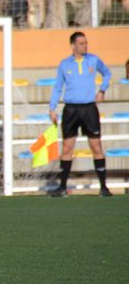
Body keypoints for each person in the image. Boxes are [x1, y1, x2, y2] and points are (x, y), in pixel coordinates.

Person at [48, 31, 112, 197]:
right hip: (71, 109)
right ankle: (62, 188)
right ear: (73, 46)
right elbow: (57, 87)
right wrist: (52, 108)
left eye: (86, 43)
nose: (85, 46)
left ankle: (103, 187)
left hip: (89, 109)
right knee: (67, 147)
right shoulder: (64, 64)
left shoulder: (93, 60)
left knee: (96, 146)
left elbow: (107, 73)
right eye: (82, 43)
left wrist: (102, 91)